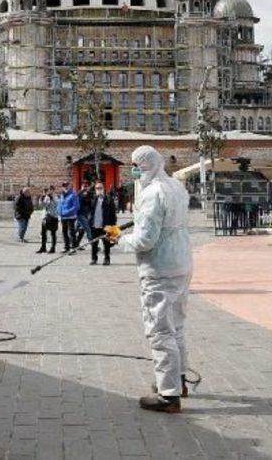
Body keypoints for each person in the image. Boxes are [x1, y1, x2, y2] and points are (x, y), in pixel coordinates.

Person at [106, 145, 192, 414]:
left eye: (134, 165)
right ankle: (178, 381)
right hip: (181, 262)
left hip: (160, 268)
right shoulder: (174, 186)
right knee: (175, 326)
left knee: (159, 330)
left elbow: (145, 240)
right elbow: (163, 223)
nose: (132, 170)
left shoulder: (152, 193)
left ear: (144, 165)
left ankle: (168, 396)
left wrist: (119, 238)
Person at [86, 182, 117, 265]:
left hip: (105, 225)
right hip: (94, 225)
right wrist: (90, 188)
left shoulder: (108, 199)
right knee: (94, 244)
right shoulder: (92, 198)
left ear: (103, 189)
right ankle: (94, 258)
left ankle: (107, 259)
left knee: (106, 243)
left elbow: (113, 213)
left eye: (100, 188)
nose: (99, 190)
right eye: (97, 188)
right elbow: (84, 199)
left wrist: (113, 226)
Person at [58, 182, 79, 252]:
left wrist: (66, 212)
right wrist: (59, 211)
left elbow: (76, 206)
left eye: (67, 186)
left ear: (70, 186)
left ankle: (73, 247)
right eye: (64, 186)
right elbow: (60, 204)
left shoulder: (73, 195)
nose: (65, 187)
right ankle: (66, 246)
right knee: (64, 232)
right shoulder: (62, 195)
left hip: (70, 216)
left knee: (71, 232)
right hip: (63, 217)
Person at [38, 187, 60, 254]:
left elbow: (56, 205)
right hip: (45, 217)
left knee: (53, 233)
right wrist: (42, 197)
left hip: (53, 217)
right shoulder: (46, 197)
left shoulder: (56, 197)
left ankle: (53, 248)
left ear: (53, 190)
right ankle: (43, 247)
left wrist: (52, 199)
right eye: (48, 190)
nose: (50, 191)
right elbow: (42, 206)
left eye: (51, 190)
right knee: (43, 233)